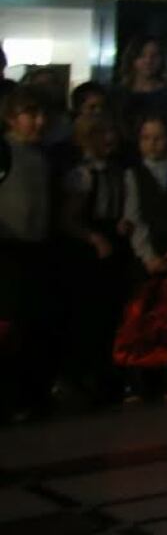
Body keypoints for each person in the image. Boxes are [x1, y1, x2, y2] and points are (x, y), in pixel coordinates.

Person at [59, 113, 131, 403]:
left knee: (110, 313)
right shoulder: (82, 174)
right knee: (89, 315)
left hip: (113, 242)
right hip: (89, 251)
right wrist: (94, 237)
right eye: (101, 134)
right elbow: (68, 218)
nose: (109, 139)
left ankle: (107, 376)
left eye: (111, 132)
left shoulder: (115, 171)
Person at [124, 113, 167, 401]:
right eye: (146, 138)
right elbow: (134, 216)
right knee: (143, 318)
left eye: (159, 138)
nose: (153, 144)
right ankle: (141, 381)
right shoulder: (133, 173)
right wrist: (147, 255)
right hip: (147, 251)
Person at [0, 89, 53, 419]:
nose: (39, 122)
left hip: (36, 249)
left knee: (31, 326)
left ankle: (28, 395)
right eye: (30, 115)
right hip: (8, 249)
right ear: (11, 118)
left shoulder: (41, 156)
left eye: (41, 114)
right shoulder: (5, 152)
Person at [110, 37, 167, 146]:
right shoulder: (118, 95)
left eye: (154, 56)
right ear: (133, 59)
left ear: (161, 60)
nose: (148, 61)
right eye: (142, 55)